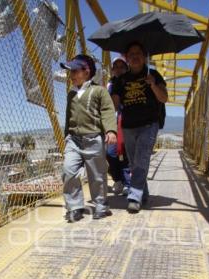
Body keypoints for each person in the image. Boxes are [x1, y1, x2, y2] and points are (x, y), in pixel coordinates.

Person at [111, 42, 168, 213]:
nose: (135, 56)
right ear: (127, 58)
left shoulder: (154, 74)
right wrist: (112, 90)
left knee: (142, 158)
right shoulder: (121, 80)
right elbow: (114, 104)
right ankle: (143, 194)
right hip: (128, 125)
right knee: (135, 162)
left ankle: (134, 196)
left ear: (144, 57)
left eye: (138, 53)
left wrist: (153, 85)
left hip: (149, 124)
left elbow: (164, 98)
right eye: (131, 54)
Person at [60, 54, 117, 222]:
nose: (71, 75)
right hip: (74, 140)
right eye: (70, 72)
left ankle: (101, 205)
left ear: (87, 72)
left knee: (97, 175)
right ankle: (75, 206)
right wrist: (66, 135)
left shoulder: (99, 91)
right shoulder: (71, 94)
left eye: (75, 71)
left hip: (93, 139)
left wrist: (111, 131)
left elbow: (107, 111)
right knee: (68, 171)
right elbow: (67, 117)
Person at [106, 56, 131, 196]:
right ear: (112, 70)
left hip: (128, 122)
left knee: (126, 153)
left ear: (127, 69)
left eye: (122, 67)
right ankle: (118, 179)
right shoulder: (109, 85)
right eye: (116, 67)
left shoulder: (130, 82)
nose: (119, 69)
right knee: (110, 153)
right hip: (113, 123)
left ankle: (128, 183)